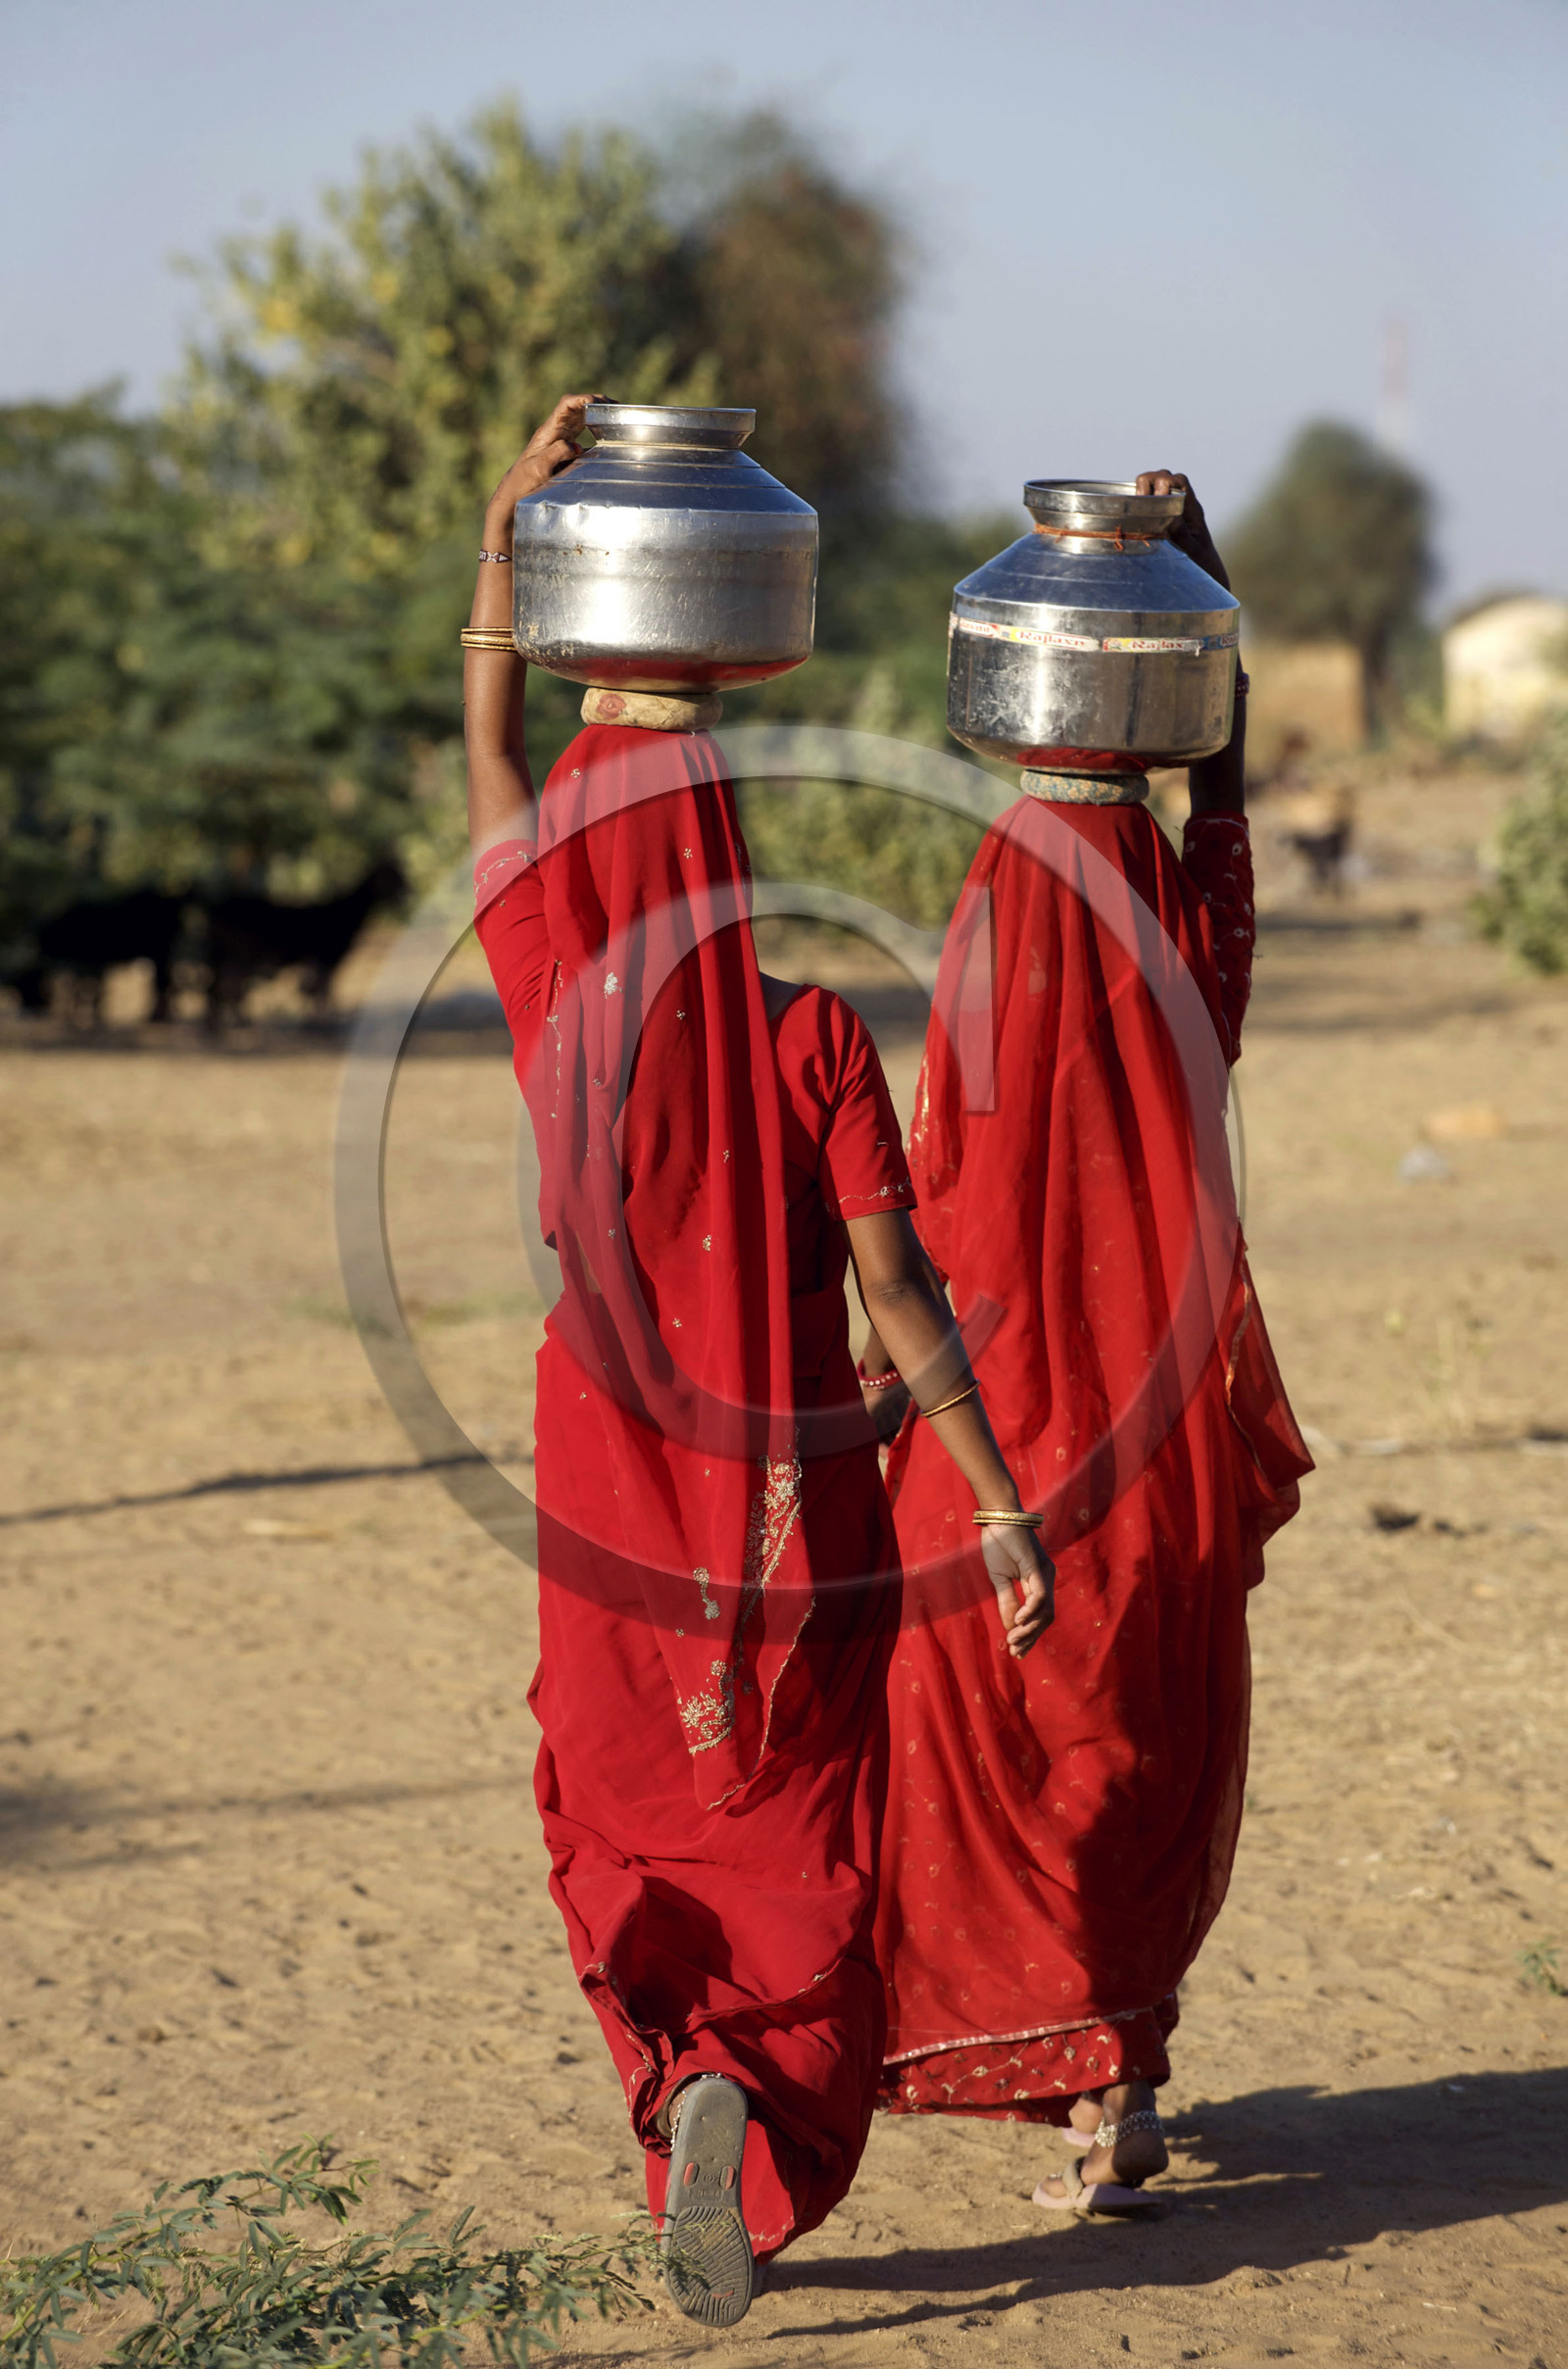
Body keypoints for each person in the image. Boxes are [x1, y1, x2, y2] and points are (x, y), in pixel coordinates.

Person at [463, 399, 1052, 2320]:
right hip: (792, 1499)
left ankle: (680, 2089)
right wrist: (990, 1491)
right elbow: (903, 1303)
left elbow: (491, 760)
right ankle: (741, 2093)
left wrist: (509, 552)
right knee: (793, 1833)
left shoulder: (557, 995)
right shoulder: (809, 1040)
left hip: (602, 1473)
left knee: (623, 1810)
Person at [860, 473, 1312, 2216]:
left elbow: (949, 1165)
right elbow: (1224, 835)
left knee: (992, 1699)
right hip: (1162, 1398)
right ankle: (1116, 2076)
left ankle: (1061, 2063)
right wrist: (1203, 597)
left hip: (1018, 1399)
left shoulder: (1004, 899)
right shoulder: (1183, 922)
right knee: (1131, 1708)